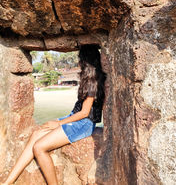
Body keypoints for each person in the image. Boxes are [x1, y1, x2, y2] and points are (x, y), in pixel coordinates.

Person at [2, 44, 106, 185]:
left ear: (85, 61)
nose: (78, 62)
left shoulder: (94, 81)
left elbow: (85, 113)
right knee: (36, 134)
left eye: (80, 59)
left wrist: (58, 123)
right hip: (76, 118)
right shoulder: (91, 79)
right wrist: (59, 120)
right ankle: (8, 181)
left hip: (84, 124)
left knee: (39, 148)